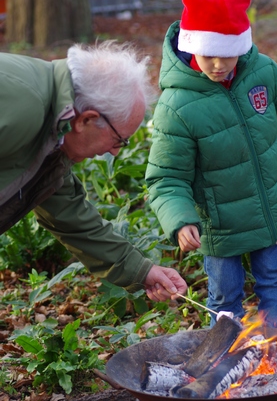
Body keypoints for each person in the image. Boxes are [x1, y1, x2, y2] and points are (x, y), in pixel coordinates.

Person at [145, 0, 277, 327]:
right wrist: (180, 219)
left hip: (271, 209)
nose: (218, 64)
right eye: (208, 54)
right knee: (225, 297)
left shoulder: (264, 72)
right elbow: (166, 176)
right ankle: (225, 360)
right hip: (219, 225)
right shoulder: (177, 105)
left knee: (275, 282)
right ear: (191, 44)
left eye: (227, 53)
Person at [0, 40, 188, 302]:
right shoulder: (24, 107)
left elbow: (71, 217)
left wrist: (143, 271)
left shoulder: (52, 135)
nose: (115, 152)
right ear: (86, 120)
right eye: (119, 140)